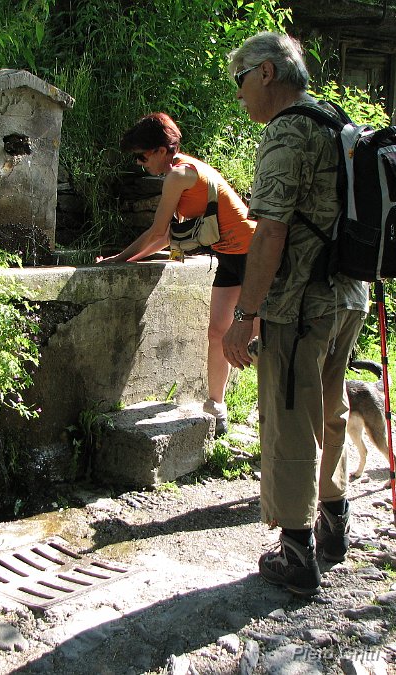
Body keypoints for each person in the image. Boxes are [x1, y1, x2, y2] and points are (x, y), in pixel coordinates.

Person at [222, 32, 370, 596]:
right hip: (345, 299)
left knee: (288, 421)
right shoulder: (336, 123)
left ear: (265, 73)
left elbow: (271, 233)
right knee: (329, 411)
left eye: (239, 82)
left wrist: (246, 314)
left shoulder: (288, 131)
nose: (239, 96)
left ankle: (296, 553)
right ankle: (334, 526)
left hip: (300, 306)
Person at [97, 112, 257, 436]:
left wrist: (117, 259)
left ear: (160, 150)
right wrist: (125, 260)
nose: (141, 164)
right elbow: (169, 235)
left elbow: (158, 233)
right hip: (228, 256)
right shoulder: (182, 172)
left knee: (261, 338)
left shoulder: (179, 174)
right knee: (218, 332)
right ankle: (217, 408)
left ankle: (274, 416)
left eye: (142, 156)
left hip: (253, 256)